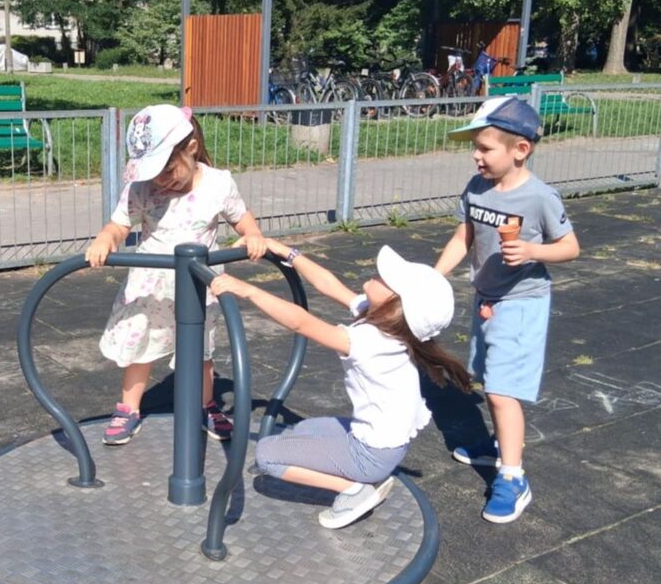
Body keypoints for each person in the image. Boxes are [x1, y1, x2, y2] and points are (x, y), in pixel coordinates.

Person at [211, 242, 471, 529]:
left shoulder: (372, 341)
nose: (378, 273)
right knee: (304, 430)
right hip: (381, 443)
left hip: (371, 454)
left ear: (395, 305)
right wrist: (288, 252)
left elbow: (301, 323)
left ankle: (354, 490)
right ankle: (360, 476)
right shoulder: (388, 322)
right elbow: (329, 285)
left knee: (267, 456)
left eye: (387, 279)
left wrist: (248, 290)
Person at [435, 96, 580, 523]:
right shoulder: (476, 187)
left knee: (501, 391)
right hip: (487, 300)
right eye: (475, 148)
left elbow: (570, 247)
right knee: (485, 376)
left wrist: (533, 250)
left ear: (520, 149)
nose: (476, 156)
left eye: (485, 148)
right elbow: (462, 238)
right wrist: (433, 276)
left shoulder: (539, 198)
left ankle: (513, 477)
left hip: (522, 303)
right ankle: (496, 443)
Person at [85, 104, 265, 446]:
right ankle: (128, 408)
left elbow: (242, 219)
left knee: (200, 352)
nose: (161, 179)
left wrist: (253, 235)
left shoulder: (218, 184)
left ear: (191, 148)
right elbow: (119, 224)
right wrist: (106, 239)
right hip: (151, 286)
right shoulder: (143, 188)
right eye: (153, 171)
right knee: (140, 347)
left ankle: (205, 404)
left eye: (167, 168)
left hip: (198, 286)